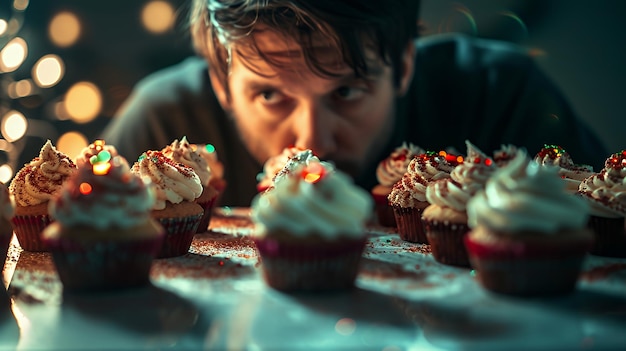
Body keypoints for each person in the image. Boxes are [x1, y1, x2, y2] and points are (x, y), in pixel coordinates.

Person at [101, 0, 606, 207]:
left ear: (404, 65)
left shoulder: (499, 95)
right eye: (271, 95)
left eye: (345, 91)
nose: (313, 141)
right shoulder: (164, 126)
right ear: (221, 82)